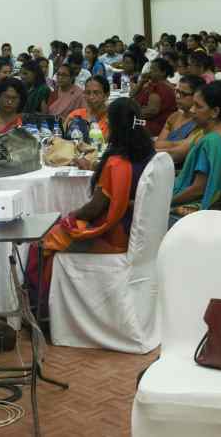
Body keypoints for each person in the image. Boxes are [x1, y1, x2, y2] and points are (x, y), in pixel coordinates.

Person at [29, 98, 156, 299]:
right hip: (139, 232)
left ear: (114, 126)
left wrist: (71, 216)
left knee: (41, 243)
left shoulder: (115, 163)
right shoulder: (150, 154)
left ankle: (37, 304)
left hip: (113, 237)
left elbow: (94, 209)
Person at [169, 81, 221, 222]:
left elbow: (199, 189)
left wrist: (167, 202)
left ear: (215, 112)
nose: (192, 110)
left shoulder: (211, 142)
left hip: (199, 208)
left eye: (198, 106)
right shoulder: (217, 132)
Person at [155, 75, 205, 165]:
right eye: (176, 91)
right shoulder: (174, 116)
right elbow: (159, 143)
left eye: (183, 94)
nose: (177, 96)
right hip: (161, 161)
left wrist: (149, 152)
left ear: (197, 96)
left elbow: (180, 152)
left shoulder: (200, 122)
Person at [132, 57, 176, 136]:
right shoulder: (151, 84)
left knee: (123, 123)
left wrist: (131, 113)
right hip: (145, 120)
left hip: (153, 125)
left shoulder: (159, 87)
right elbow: (131, 94)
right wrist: (141, 81)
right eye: (150, 69)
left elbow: (151, 111)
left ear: (163, 73)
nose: (150, 72)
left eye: (154, 70)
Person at [64, 75, 110, 142]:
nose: (91, 97)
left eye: (96, 93)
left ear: (106, 95)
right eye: (88, 93)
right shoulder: (75, 115)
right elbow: (62, 138)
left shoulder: (111, 119)